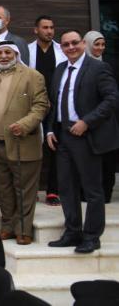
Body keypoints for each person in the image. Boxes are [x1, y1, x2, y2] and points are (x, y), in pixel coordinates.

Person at [46, 30, 119, 253]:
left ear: (84, 44)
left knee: (92, 189)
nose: (71, 47)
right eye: (66, 44)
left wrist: (87, 122)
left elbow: (111, 99)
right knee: (66, 188)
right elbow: (54, 102)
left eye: (74, 43)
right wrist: (50, 130)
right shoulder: (60, 69)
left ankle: (92, 236)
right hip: (62, 136)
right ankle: (72, 232)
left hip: (87, 135)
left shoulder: (98, 68)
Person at [0, 40, 49, 245]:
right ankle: (7, 225)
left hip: (21, 141)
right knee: (3, 187)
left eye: (8, 52)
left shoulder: (32, 76)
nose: (4, 56)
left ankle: (23, 229)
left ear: (16, 54)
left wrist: (25, 124)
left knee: (24, 188)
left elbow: (41, 106)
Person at [27, 15, 65, 206]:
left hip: (56, 105)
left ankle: (53, 191)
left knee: (55, 147)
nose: (49, 31)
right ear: (36, 30)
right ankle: (31, 190)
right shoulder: (28, 50)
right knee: (32, 148)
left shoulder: (61, 51)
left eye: (51, 27)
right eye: (45, 27)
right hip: (33, 105)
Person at [82, 31, 115, 202]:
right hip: (84, 122)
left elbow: (111, 96)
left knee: (106, 161)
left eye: (103, 44)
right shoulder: (79, 66)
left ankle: (105, 194)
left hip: (103, 121)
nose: (100, 48)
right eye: (96, 44)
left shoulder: (106, 66)